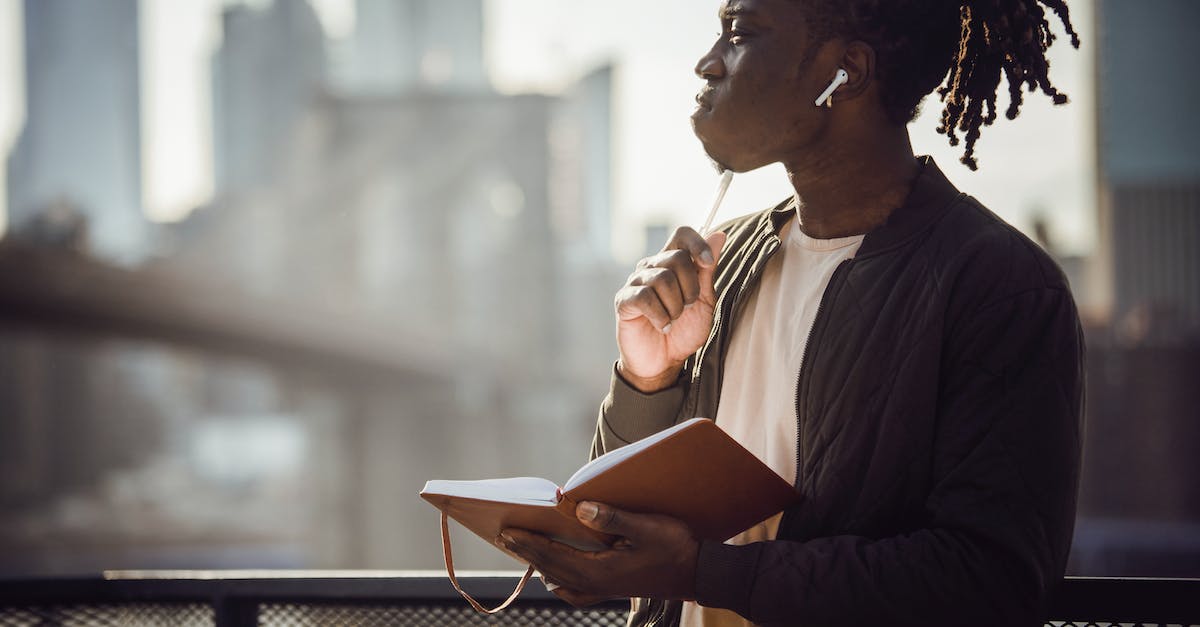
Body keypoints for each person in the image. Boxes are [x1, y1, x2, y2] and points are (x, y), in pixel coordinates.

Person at [498, 0, 1086, 625]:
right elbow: (619, 537)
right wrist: (647, 380)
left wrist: (702, 572)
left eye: (740, 33)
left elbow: (992, 582)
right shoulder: (722, 263)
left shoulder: (999, 286)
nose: (708, 62)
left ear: (846, 72)